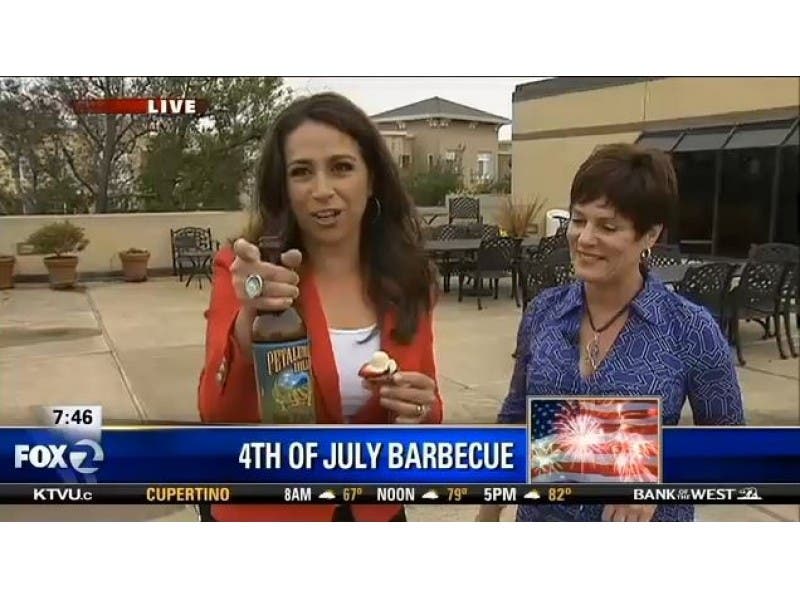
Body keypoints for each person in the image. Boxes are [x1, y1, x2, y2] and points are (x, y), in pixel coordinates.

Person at [198, 92, 443, 522]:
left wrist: (421, 409)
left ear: (372, 179)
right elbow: (216, 415)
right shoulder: (246, 271)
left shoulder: (409, 278)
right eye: (301, 172)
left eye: (341, 167)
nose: (322, 190)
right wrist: (249, 320)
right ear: (284, 188)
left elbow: (428, 410)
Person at [477, 143, 745, 522]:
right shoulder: (543, 312)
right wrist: (488, 515)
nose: (585, 238)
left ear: (650, 235)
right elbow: (515, 419)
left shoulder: (689, 329)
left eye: (607, 226)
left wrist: (660, 474)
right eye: (578, 220)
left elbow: (733, 451)